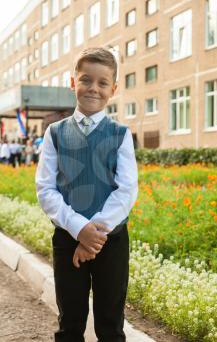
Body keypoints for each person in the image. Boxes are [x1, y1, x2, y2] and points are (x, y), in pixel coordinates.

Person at [36, 47, 138, 342]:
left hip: (112, 239)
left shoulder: (121, 134)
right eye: (85, 80)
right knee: (70, 322)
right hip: (68, 237)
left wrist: (93, 237)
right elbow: (46, 188)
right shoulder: (54, 133)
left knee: (110, 324)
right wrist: (80, 229)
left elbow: (127, 189)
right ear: (73, 83)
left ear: (113, 89)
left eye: (102, 82)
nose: (93, 88)